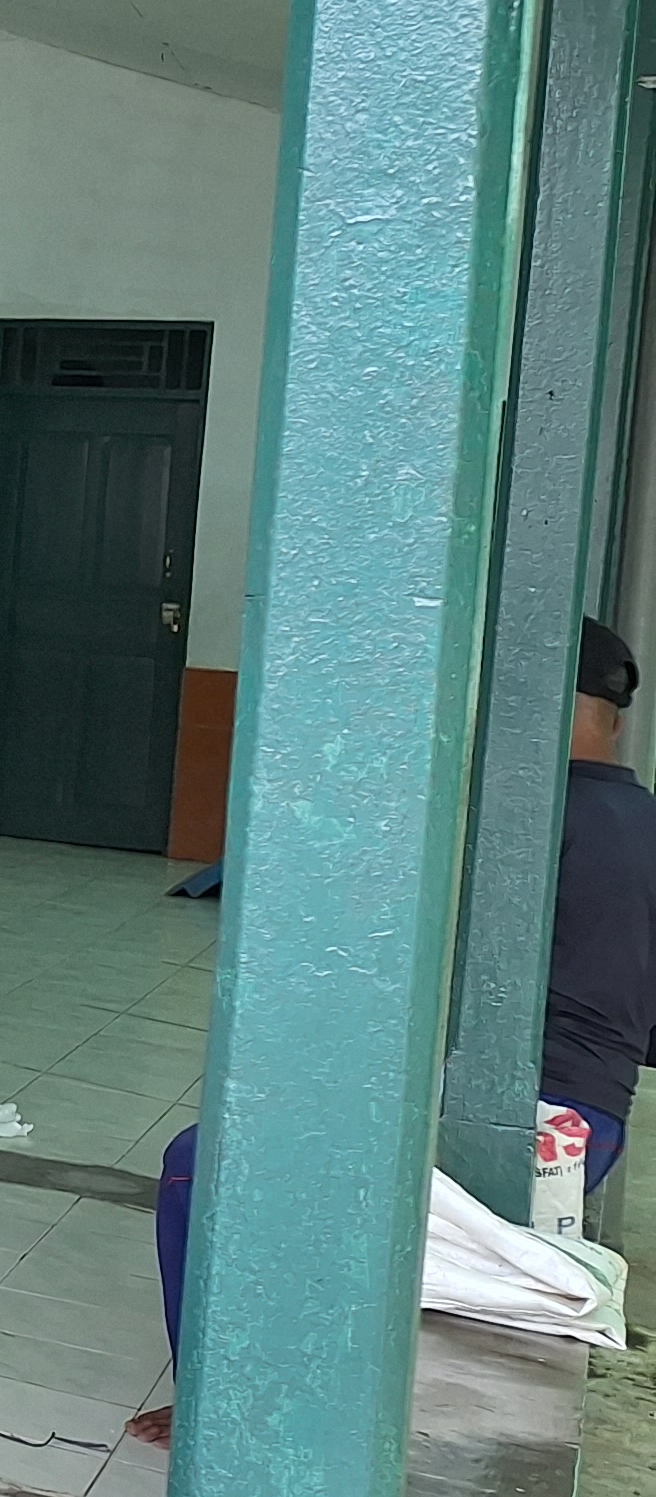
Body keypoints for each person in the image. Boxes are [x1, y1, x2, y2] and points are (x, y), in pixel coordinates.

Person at [136, 615, 656, 1447]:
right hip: (592, 1126)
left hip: (519, 1123)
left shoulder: (522, 828)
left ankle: (219, 1411)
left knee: (208, 1166)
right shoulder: (639, 821)